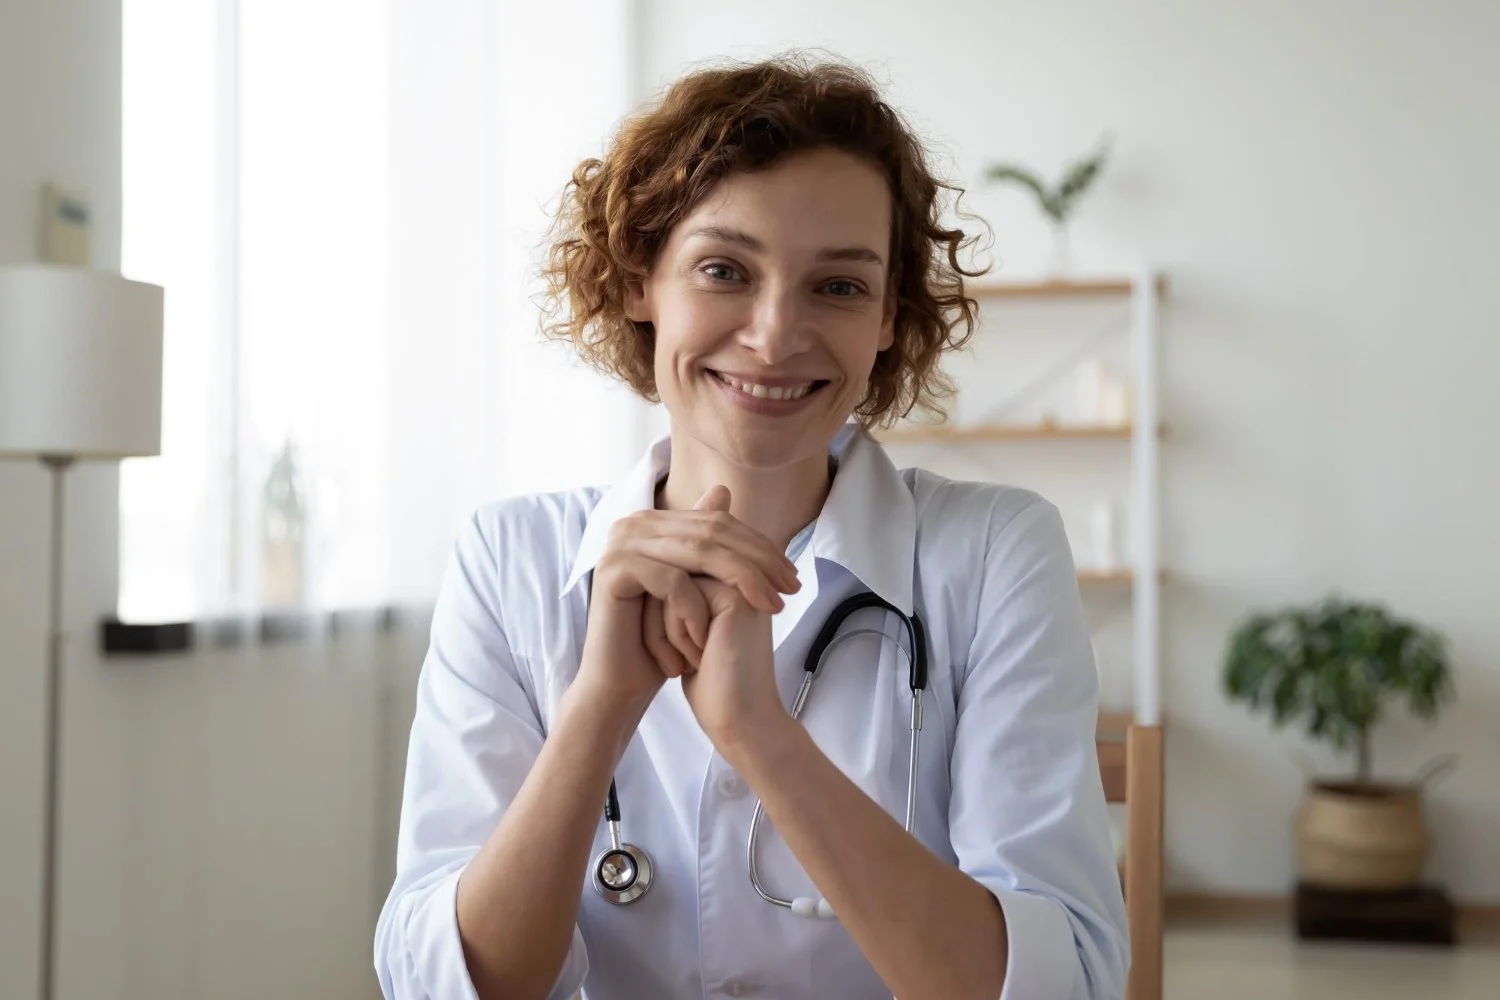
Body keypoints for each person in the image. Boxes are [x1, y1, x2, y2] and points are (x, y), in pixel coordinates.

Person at [375, 54, 1128, 1000]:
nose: (775, 335)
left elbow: (1065, 986)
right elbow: (447, 984)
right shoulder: (511, 560)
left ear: (890, 317)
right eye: (724, 270)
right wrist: (602, 703)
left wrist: (759, 736)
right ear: (640, 279)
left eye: (840, 287)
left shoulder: (994, 552)